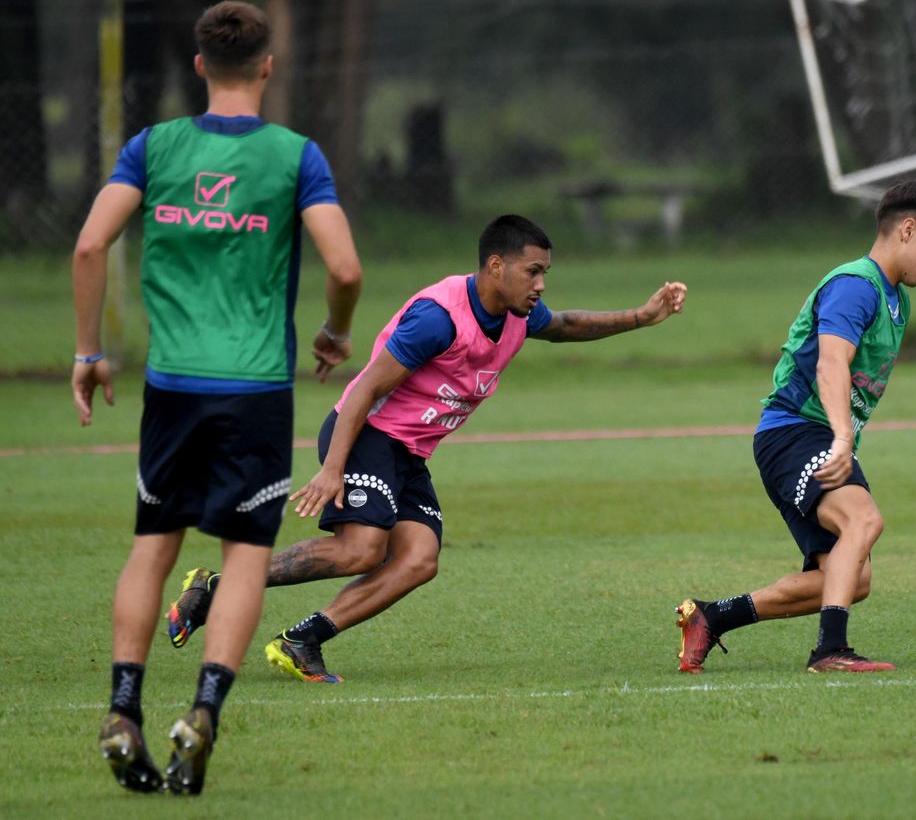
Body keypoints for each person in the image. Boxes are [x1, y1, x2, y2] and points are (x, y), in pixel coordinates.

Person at [166, 214, 687, 682]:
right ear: (496, 265)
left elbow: (566, 324)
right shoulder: (439, 318)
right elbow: (365, 389)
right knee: (360, 550)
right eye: (532, 272)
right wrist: (332, 468)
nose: (541, 285)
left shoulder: (518, 314)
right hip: (366, 433)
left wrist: (640, 317)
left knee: (419, 559)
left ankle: (301, 640)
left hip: (407, 453)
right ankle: (216, 586)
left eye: (544, 273)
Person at [73, 0, 363, 795]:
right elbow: (344, 267)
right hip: (255, 389)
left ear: (200, 66)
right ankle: (203, 708)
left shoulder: (153, 146)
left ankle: (123, 707)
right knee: (243, 555)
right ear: (268, 65)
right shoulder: (295, 156)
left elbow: (91, 244)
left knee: (153, 545)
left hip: (172, 385)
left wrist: (89, 351)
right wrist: (336, 332)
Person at [676, 181, 916, 674]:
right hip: (795, 433)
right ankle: (830, 650)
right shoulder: (856, 285)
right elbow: (831, 364)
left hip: (809, 437)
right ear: (908, 230)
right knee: (863, 522)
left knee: (852, 580)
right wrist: (843, 438)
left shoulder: (897, 300)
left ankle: (712, 617)